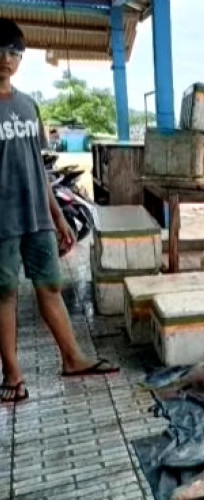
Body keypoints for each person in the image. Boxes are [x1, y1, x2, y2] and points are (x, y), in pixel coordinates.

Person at [0, 18, 119, 403]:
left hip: (37, 214)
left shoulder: (27, 104)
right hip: (2, 221)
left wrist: (59, 216)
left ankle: (72, 359)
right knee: (4, 294)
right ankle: (12, 375)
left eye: (14, 52)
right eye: (0, 50)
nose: (6, 59)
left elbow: (37, 165)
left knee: (50, 286)